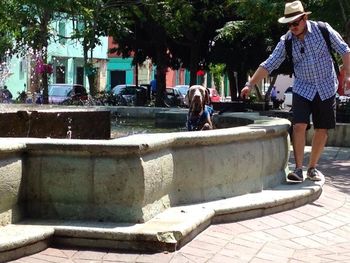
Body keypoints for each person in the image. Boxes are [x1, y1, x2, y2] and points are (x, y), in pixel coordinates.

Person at [240, 1, 350, 182]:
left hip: (326, 86)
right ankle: (298, 169)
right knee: (299, 125)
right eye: (289, 24)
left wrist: (347, 74)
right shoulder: (286, 41)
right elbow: (269, 64)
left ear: (304, 18)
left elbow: (345, 50)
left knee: (322, 129)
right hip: (303, 88)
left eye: (295, 23)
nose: (292, 27)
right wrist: (250, 84)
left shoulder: (323, 30)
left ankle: (312, 167)